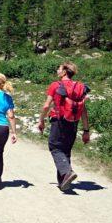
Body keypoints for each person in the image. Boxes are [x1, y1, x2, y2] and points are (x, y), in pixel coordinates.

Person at [38, 61, 91, 191]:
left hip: (59, 120)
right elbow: (83, 110)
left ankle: (67, 172)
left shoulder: (56, 85)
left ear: (64, 72)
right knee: (65, 151)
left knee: (55, 147)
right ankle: (64, 183)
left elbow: (46, 105)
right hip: (73, 122)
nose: (57, 71)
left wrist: (41, 120)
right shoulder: (79, 87)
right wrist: (86, 130)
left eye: (59, 69)